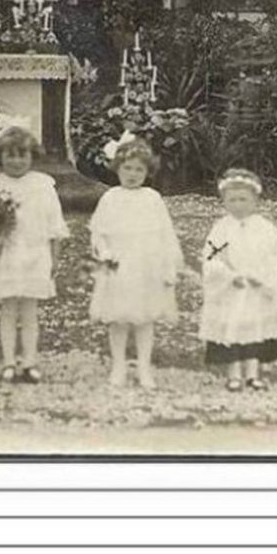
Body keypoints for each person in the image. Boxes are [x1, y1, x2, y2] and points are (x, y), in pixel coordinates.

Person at [0, 117, 70, 384]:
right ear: (1, 155)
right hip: (7, 255)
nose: (16, 161)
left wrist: (55, 256)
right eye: (10, 155)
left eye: (22, 155)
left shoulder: (43, 185)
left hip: (35, 253)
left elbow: (54, 225)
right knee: (8, 310)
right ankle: (7, 361)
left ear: (32, 155)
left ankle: (29, 362)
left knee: (29, 311)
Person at [87, 132, 182, 389]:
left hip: (146, 265)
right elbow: (98, 232)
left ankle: (143, 366)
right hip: (119, 264)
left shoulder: (153, 199)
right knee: (118, 318)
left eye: (139, 169)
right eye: (127, 168)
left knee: (145, 317)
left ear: (147, 172)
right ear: (117, 169)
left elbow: (165, 234)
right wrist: (104, 254)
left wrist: (168, 265)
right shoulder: (110, 198)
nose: (132, 174)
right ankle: (118, 365)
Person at [200, 168, 277, 392]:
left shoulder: (266, 229)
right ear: (224, 201)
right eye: (232, 200)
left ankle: (253, 373)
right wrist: (228, 277)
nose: (238, 205)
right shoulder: (221, 229)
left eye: (243, 199)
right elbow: (210, 258)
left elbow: (276, 258)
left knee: (254, 332)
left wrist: (264, 279)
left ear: (255, 200)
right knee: (232, 331)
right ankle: (234, 374)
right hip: (232, 289)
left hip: (256, 290)